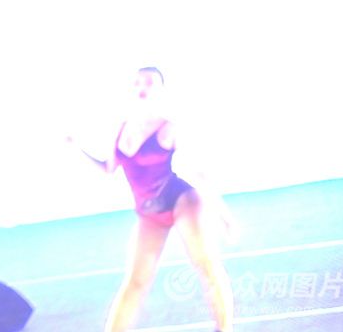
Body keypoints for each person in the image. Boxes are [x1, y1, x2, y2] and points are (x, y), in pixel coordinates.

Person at [68, 67, 234, 332]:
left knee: (207, 267)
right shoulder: (120, 129)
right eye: (138, 82)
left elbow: (198, 173)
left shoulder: (168, 127)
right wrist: (77, 148)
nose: (142, 87)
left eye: (149, 83)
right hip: (149, 212)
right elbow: (109, 168)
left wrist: (223, 215)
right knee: (135, 282)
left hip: (181, 200)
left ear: (160, 90)